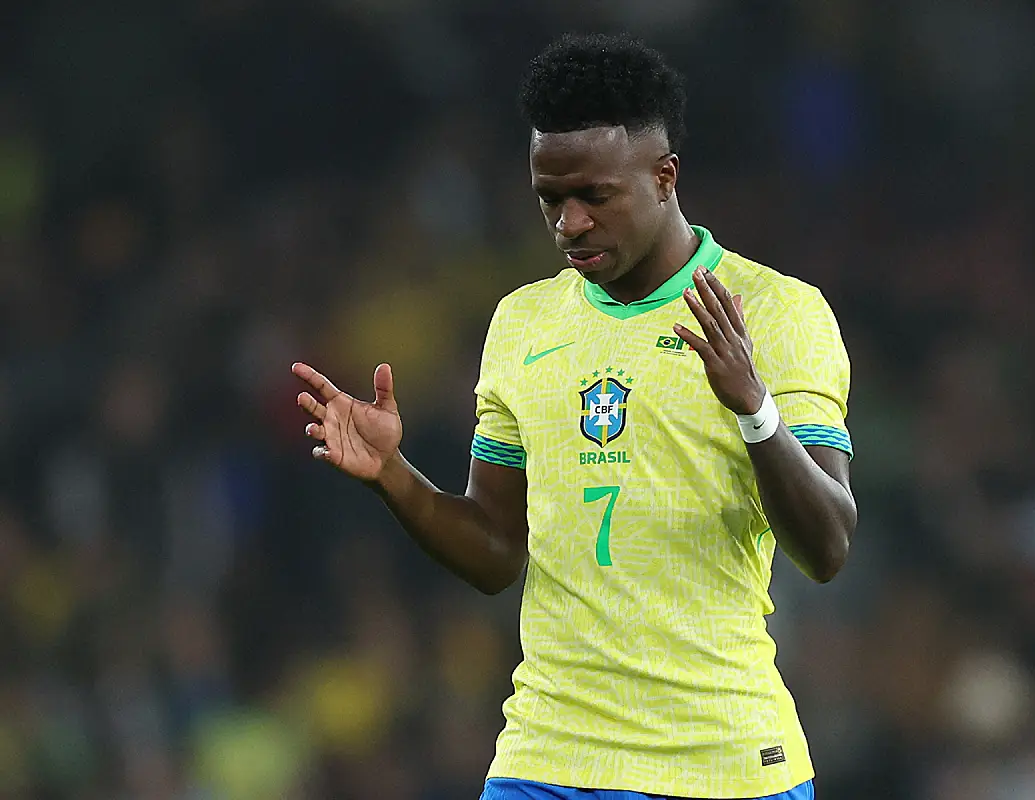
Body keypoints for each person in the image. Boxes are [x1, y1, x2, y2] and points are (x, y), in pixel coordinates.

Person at [292, 32, 856, 800]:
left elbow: (826, 547)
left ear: (664, 178)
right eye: (550, 200)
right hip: (548, 758)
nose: (570, 224)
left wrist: (754, 408)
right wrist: (393, 475)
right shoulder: (524, 323)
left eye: (595, 196)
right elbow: (495, 552)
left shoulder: (778, 315)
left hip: (719, 761)